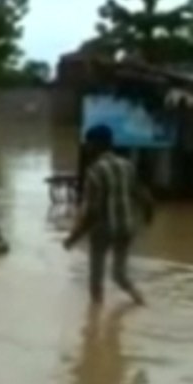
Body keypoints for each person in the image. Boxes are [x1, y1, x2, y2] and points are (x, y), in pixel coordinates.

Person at [63, 124, 154, 305]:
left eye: (88, 143)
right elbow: (145, 197)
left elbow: (92, 211)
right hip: (126, 227)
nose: (86, 148)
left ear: (97, 144)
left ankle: (94, 317)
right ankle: (141, 302)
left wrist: (74, 237)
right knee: (119, 275)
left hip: (104, 229)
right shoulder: (127, 166)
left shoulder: (95, 171)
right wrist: (147, 219)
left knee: (96, 278)